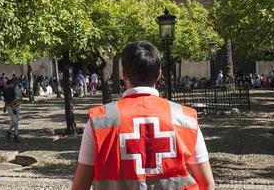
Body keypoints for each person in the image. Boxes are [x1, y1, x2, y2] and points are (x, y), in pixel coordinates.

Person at [72, 41, 215, 190]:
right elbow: (207, 183)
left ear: (123, 74)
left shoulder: (100, 121)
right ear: (159, 74)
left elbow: (80, 185)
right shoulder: (185, 118)